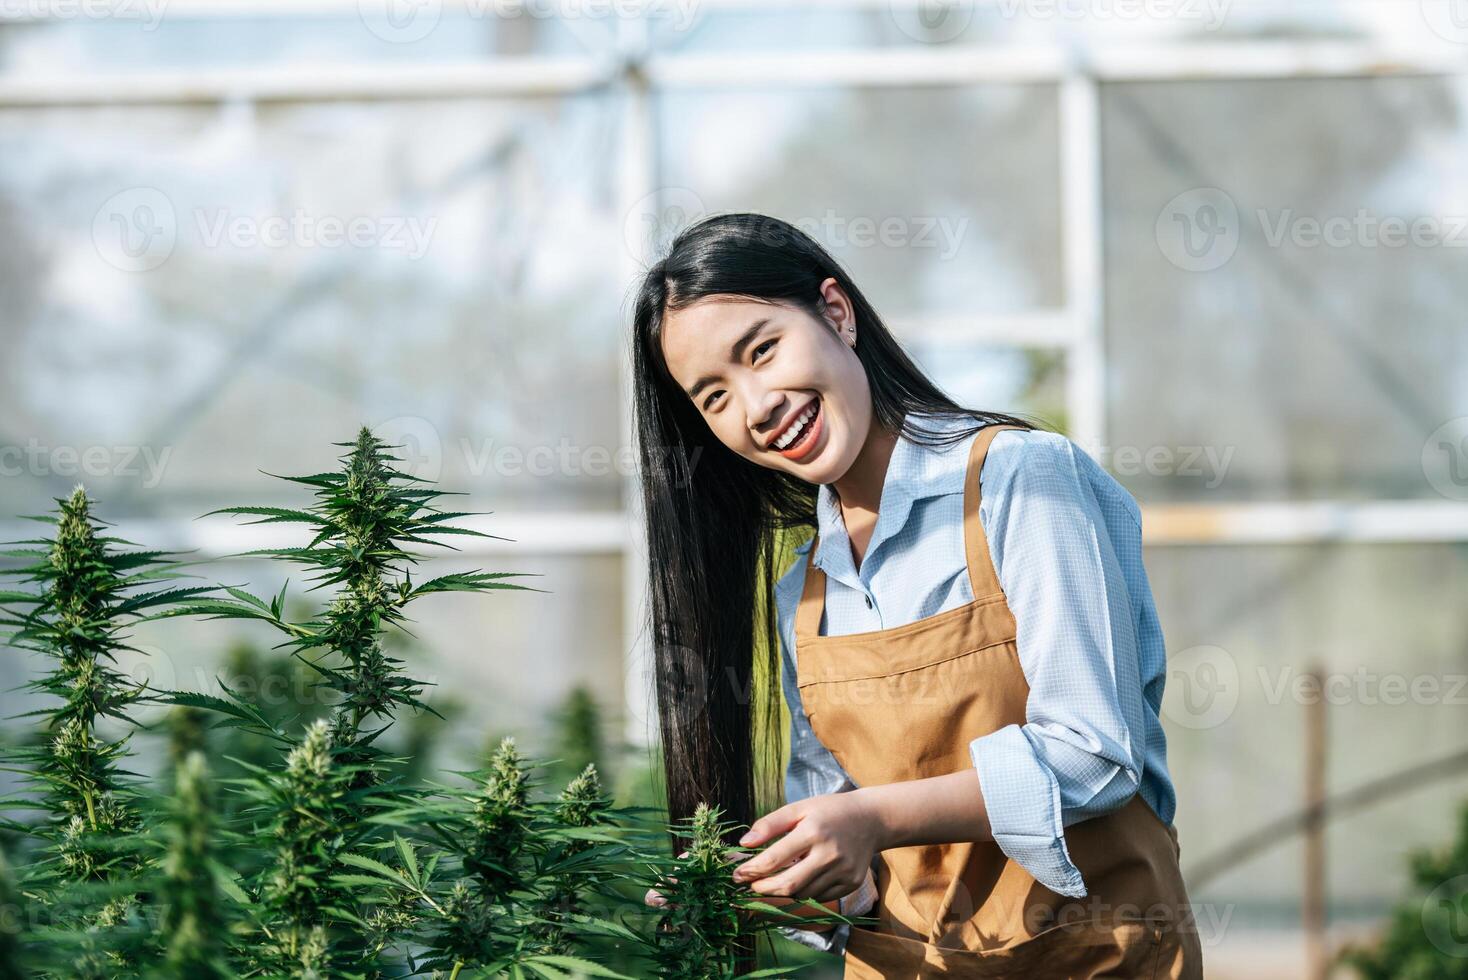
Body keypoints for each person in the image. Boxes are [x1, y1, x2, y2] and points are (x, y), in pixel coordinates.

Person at [633, 212, 1202, 978]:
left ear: (836, 312)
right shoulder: (803, 592)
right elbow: (857, 880)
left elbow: (1096, 755)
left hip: (1094, 957)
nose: (756, 405)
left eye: (762, 350)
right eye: (714, 397)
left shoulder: (1021, 479)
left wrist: (870, 818)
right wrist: (777, 887)